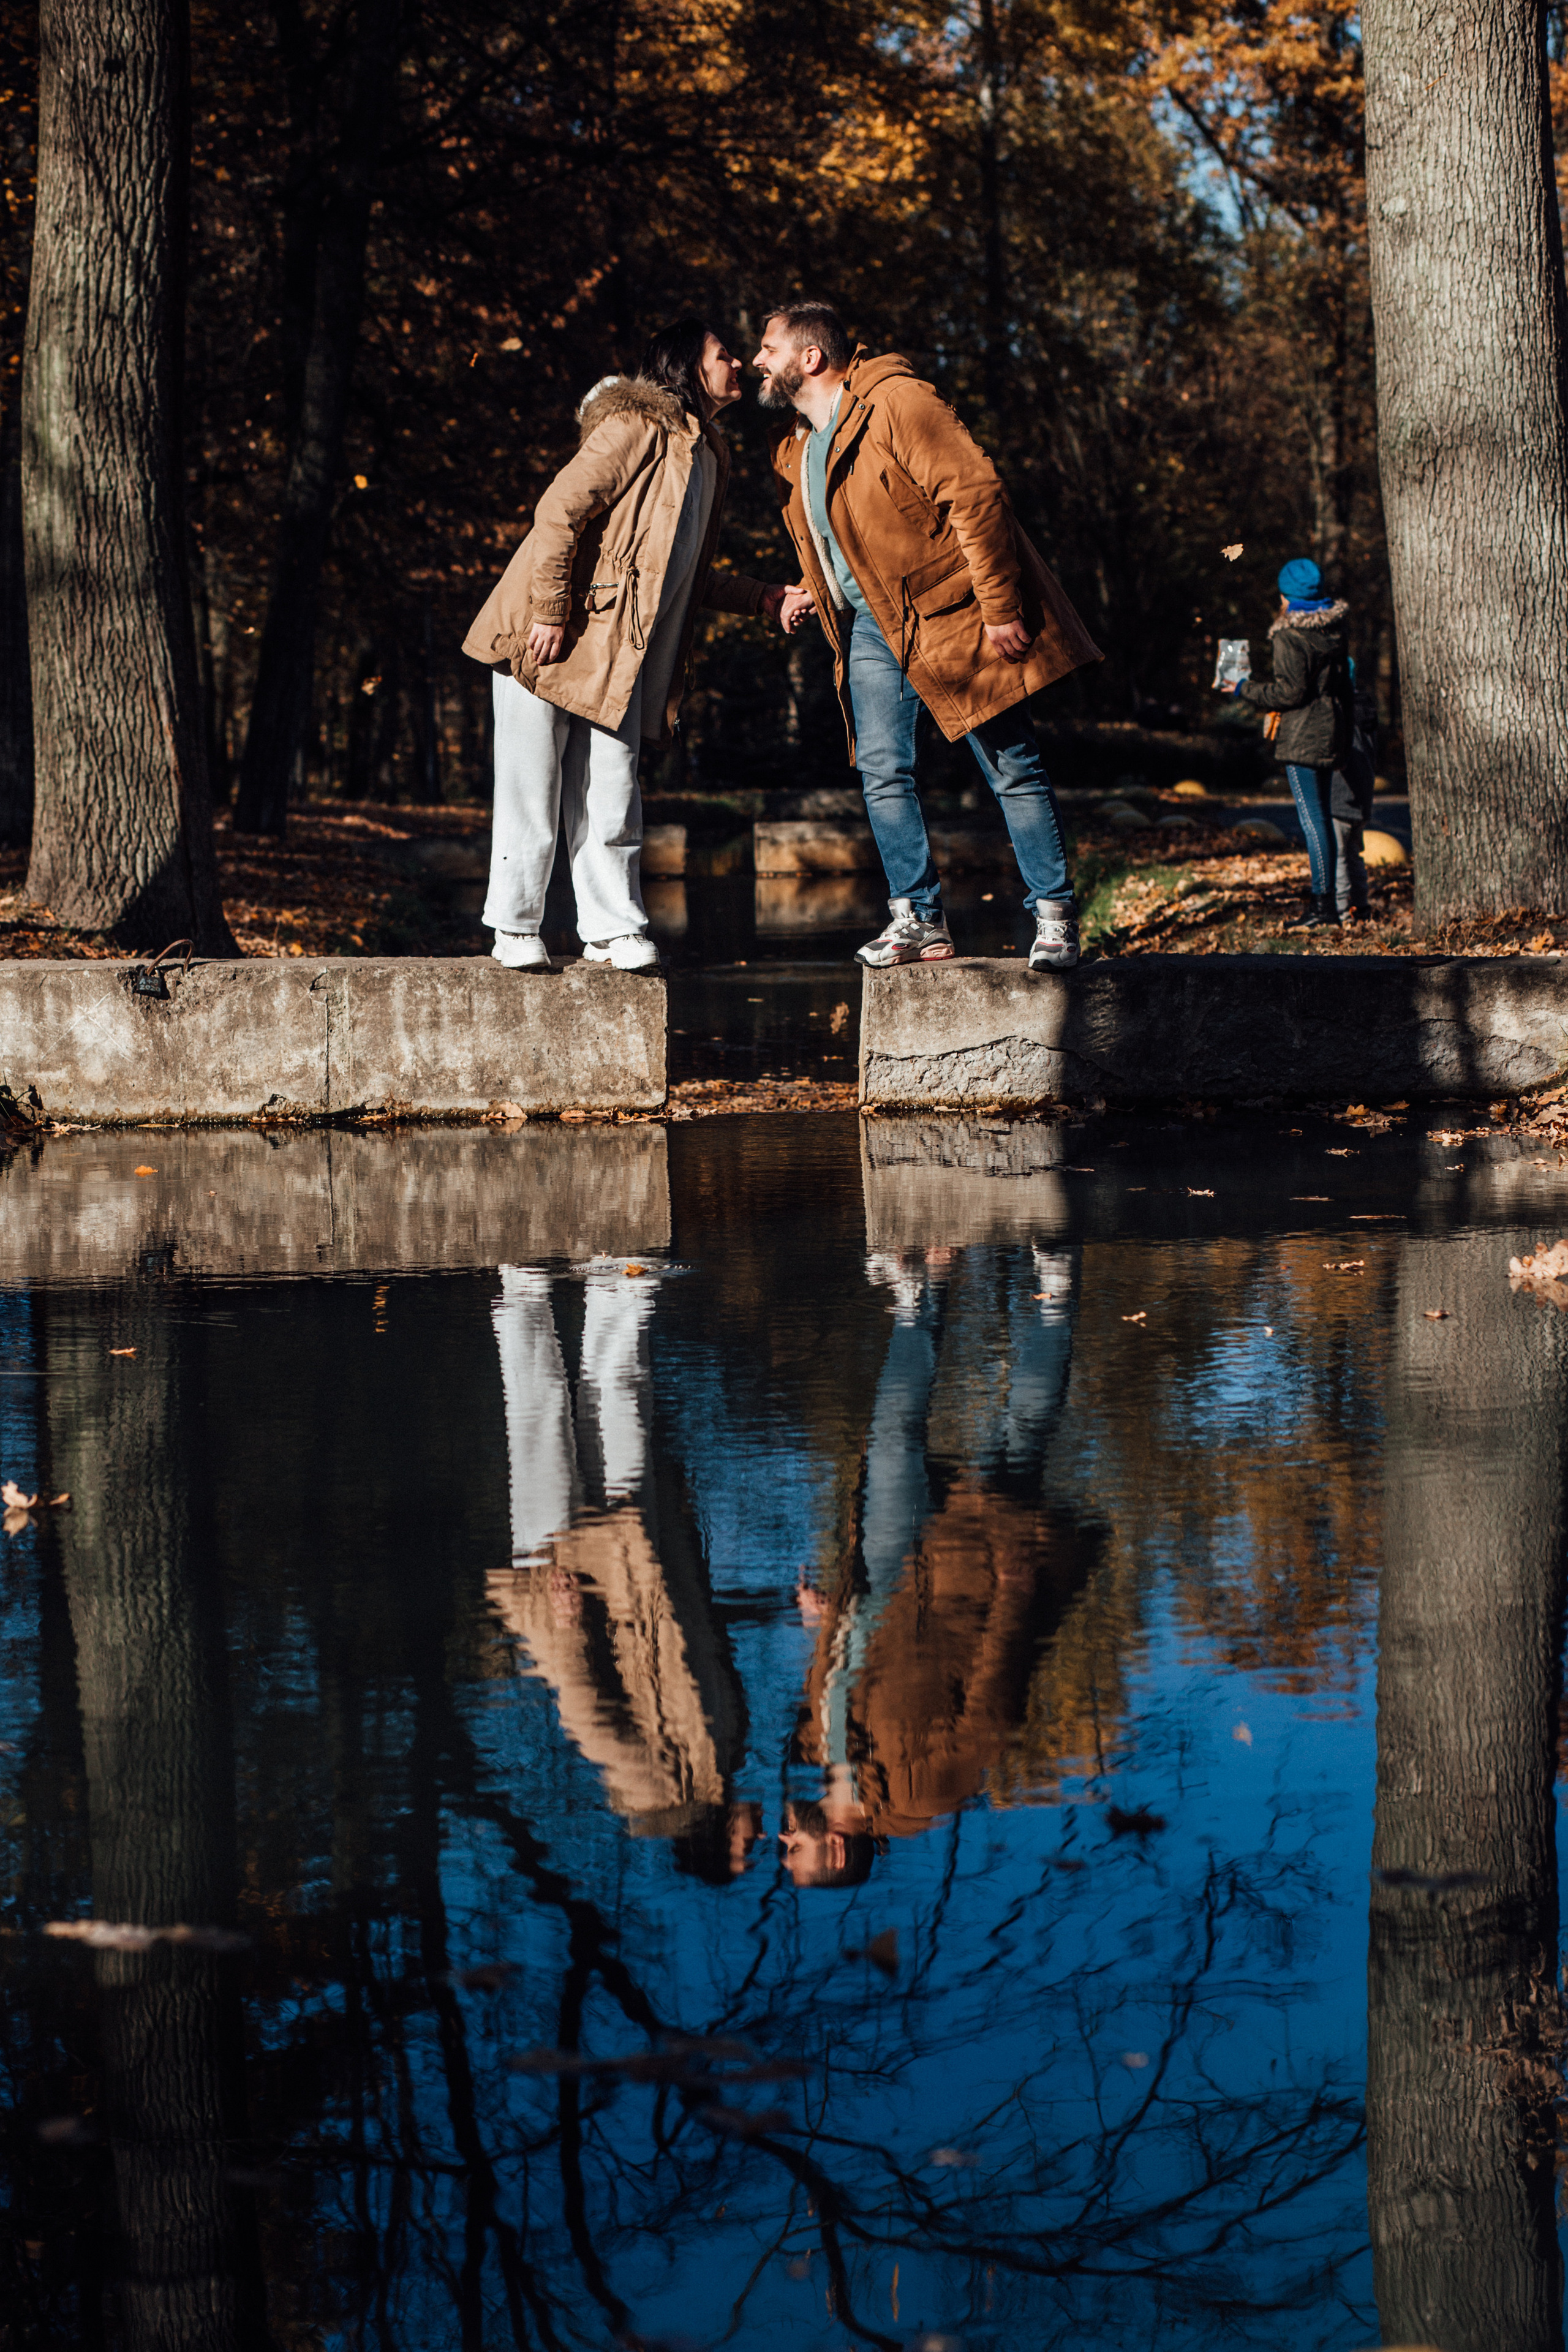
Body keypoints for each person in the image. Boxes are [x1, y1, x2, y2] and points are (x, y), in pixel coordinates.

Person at [753, 301, 1101, 972]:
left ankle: (1054, 917)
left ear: (809, 357)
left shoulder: (898, 401)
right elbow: (843, 543)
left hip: (953, 616)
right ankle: (917, 919)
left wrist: (999, 605)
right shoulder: (796, 445)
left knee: (1010, 765)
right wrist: (807, 592)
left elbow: (975, 494)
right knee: (882, 772)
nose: (756, 360)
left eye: (768, 348)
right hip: (871, 626)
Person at [462, 319, 801, 970]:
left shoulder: (706, 453)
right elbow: (558, 511)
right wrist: (550, 612)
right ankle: (514, 928)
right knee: (532, 789)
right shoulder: (639, 424)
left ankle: (611, 929)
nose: (738, 363)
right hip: (545, 636)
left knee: (613, 790)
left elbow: (682, 571)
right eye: (723, 354)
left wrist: (763, 597)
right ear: (686, 366)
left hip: (618, 654)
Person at [1224, 557, 1355, 930]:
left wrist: (1243, 688)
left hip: (1302, 737)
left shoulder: (1289, 635)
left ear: (1287, 597)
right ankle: (1329, 904)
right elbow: (1343, 688)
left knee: (1313, 823)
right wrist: (1345, 741)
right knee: (1323, 821)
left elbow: (1289, 693)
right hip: (1331, 730)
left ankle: (1323, 908)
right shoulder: (1335, 631)